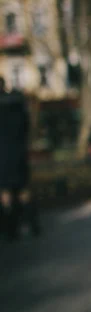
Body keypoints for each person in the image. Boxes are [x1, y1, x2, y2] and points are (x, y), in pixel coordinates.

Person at [0, 77, 39, 240]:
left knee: (6, 193)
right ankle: (31, 223)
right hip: (18, 151)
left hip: (3, 154)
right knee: (23, 190)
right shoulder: (17, 104)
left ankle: (11, 229)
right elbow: (27, 126)